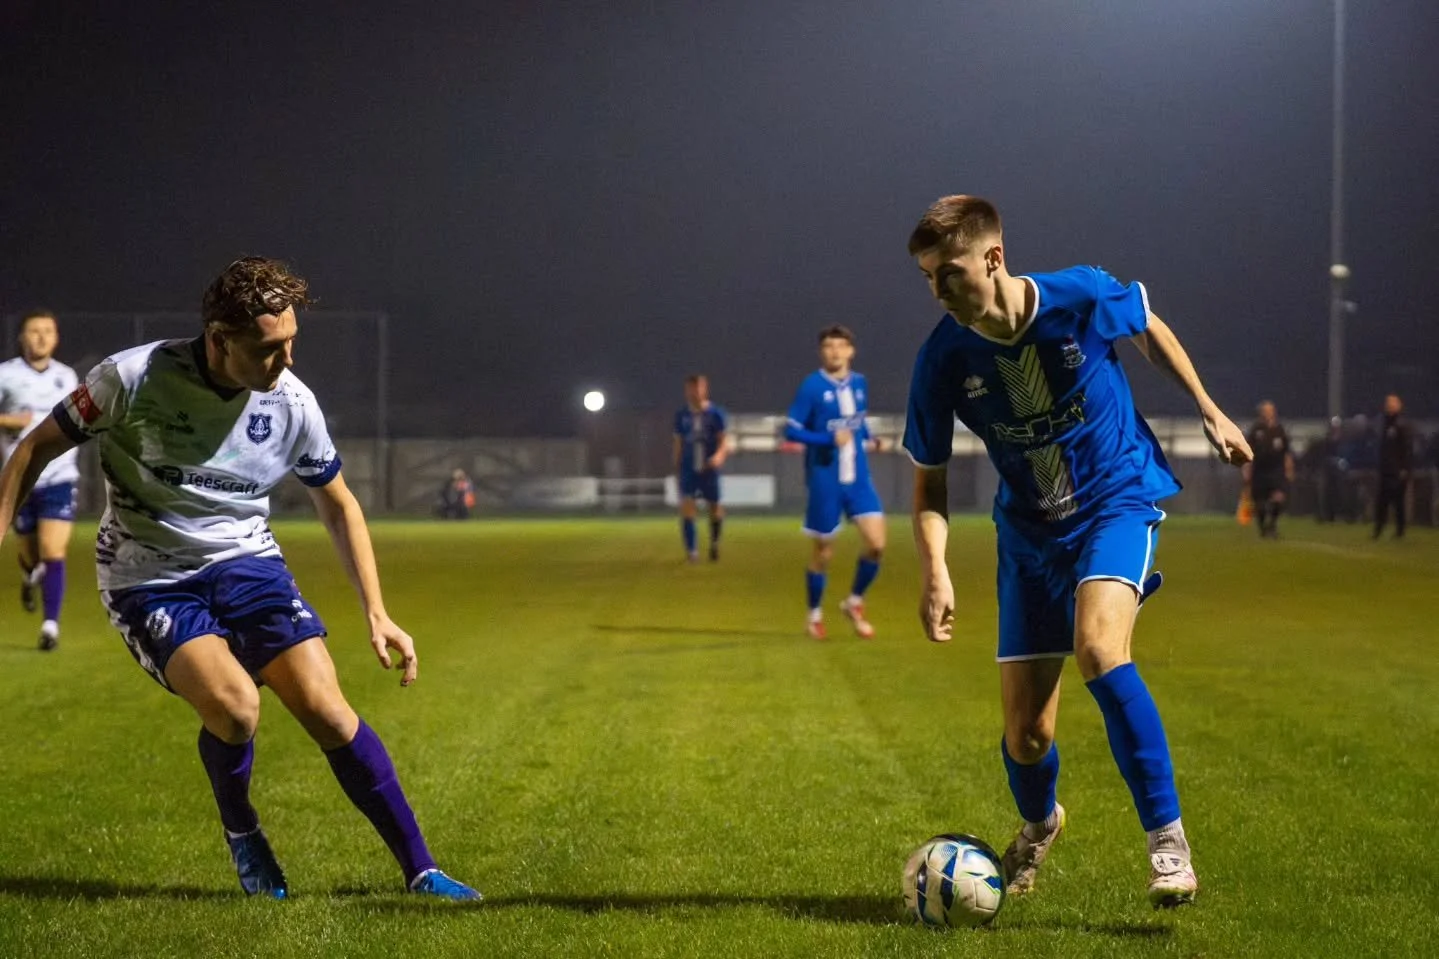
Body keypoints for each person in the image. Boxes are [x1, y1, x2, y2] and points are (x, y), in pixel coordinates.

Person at [0, 257, 479, 901]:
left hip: (250, 567)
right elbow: (35, 446)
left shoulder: (292, 402)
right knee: (235, 710)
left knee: (331, 716)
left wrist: (377, 609)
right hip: (150, 575)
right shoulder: (132, 378)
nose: (284, 361)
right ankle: (242, 830)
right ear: (219, 339)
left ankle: (422, 870)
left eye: (291, 343)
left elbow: (337, 502)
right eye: (268, 349)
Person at [902, 196, 1252, 908]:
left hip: (1114, 499)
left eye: (949, 273)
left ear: (993, 258)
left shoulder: (1079, 294)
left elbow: (1146, 327)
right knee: (1027, 737)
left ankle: (1168, 845)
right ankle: (1040, 820)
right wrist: (934, 567)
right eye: (927, 278)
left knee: (1098, 646)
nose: (937, 291)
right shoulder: (942, 358)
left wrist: (1208, 408)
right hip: (1029, 533)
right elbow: (929, 479)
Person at [784, 326, 888, 640]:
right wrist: (827, 438)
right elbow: (790, 430)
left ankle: (854, 602)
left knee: (877, 544)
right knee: (823, 553)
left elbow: (857, 421)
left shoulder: (859, 383)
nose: (835, 352)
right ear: (821, 352)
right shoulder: (811, 387)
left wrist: (871, 438)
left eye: (841, 346)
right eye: (829, 346)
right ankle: (814, 615)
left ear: (851, 351)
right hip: (825, 481)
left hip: (858, 479)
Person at [0, 310, 80, 650]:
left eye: (48, 330)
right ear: (22, 337)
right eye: (35, 331)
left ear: (57, 337)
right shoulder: (5, 374)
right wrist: (7, 419)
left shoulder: (68, 376)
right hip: (20, 478)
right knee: (31, 556)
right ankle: (28, 575)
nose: (42, 337)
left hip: (61, 477)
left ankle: (50, 626)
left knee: (53, 551)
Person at [672, 374, 728, 561]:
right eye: (691, 388)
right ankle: (692, 552)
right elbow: (678, 443)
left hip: (709, 466)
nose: (695, 392)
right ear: (686, 390)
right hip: (689, 467)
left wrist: (719, 456)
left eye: (699, 388)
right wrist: (677, 468)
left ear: (705, 389)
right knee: (688, 506)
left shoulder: (715, 413)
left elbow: (723, 441)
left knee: (715, 506)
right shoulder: (682, 415)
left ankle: (714, 544)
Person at [1242, 401, 1294, 539]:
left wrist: (1289, 470)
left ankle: (1273, 524)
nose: (1267, 413)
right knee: (1260, 503)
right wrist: (1247, 470)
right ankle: (1263, 528)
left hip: (1276, 470)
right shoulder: (1255, 430)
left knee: (1279, 498)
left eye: (1269, 410)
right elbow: (1247, 452)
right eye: (1264, 411)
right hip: (1259, 470)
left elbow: (1287, 453)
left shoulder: (1280, 430)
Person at [1373, 393, 1414, 539]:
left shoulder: (1402, 424)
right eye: (1388, 403)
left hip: (1397, 471)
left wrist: (1404, 468)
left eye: (1392, 403)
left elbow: (1407, 449)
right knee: (1381, 502)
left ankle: (1400, 531)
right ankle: (1378, 530)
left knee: (1398, 503)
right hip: (1385, 470)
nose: (1389, 406)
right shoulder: (1384, 423)